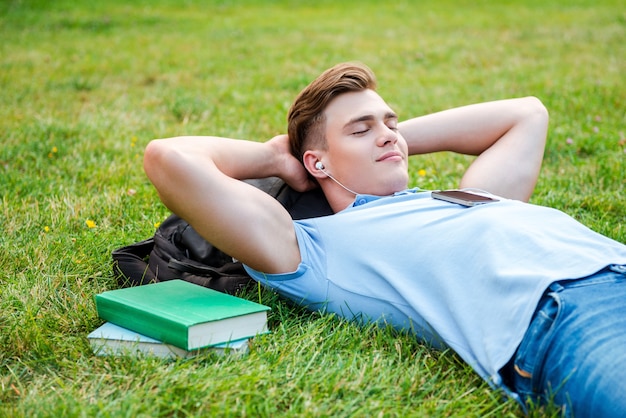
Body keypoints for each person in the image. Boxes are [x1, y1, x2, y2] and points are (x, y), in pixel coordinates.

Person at [143, 62, 626, 417]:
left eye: (390, 123)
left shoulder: (462, 197)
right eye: (362, 128)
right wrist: (277, 157)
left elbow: (527, 113)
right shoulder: (314, 248)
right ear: (318, 164)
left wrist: (383, 136)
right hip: (562, 314)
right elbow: (168, 158)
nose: (388, 136)